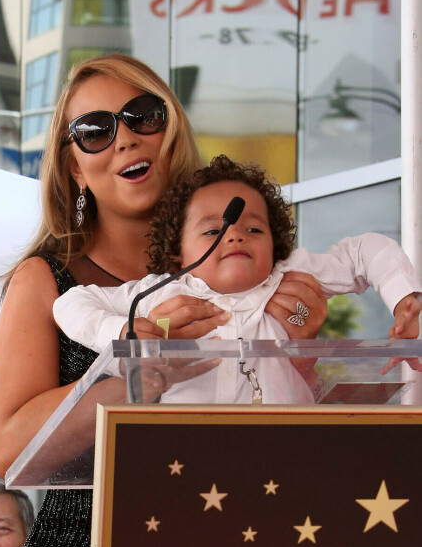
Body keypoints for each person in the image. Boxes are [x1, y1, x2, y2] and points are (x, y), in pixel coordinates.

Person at [0, 55, 328, 547]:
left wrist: (301, 325)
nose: (126, 138)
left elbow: (294, 403)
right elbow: (6, 448)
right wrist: (138, 378)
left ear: (171, 136)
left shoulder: (250, 253)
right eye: (95, 129)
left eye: (143, 115)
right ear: (73, 166)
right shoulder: (48, 281)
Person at [53, 155, 422, 404]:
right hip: (186, 462)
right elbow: (69, 303)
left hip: (284, 457)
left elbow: (366, 251)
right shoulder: (158, 294)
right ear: (177, 253)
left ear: (275, 243)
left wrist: (405, 298)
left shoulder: (288, 274)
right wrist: (120, 333)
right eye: (214, 230)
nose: (234, 235)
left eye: (254, 228)